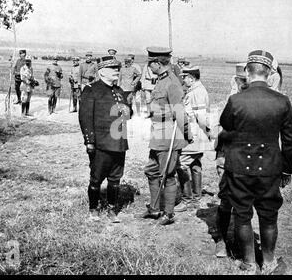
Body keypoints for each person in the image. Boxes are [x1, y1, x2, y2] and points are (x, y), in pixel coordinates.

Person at [219, 49, 292, 274]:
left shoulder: (235, 100)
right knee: (269, 216)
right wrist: (287, 171)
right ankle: (269, 262)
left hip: (238, 168)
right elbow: (290, 139)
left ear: (247, 71)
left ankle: (248, 263)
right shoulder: (282, 101)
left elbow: (226, 125)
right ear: (269, 72)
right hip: (270, 169)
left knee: (242, 215)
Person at [140, 47, 190, 226]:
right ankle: (154, 209)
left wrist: (186, 135)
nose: (149, 68)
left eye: (150, 64)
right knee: (152, 171)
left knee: (167, 175)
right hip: (158, 134)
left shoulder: (172, 83)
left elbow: (180, 113)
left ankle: (168, 214)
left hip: (169, 136)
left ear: (157, 64)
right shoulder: (161, 80)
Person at [79, 55, 131, 223]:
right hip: (101, 144)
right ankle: (93, 210)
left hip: (119, 143)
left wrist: (128, 110)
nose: (117, 71)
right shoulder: (91, 89)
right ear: (102, 72)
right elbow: (85, 117)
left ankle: (111, 210)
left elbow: (127, 115)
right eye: (113, 69)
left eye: (117, 68)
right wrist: (89, 141)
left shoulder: (119, 91)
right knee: (96, 179)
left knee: (115, 180)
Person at [174, 66, 212, 212]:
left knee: (181, 164)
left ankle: (187, 199)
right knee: (195, 165)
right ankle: (196, 198)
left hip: (194, 134)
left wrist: (204, 132)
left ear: (191, 77)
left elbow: (201, 117)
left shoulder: (197, 92)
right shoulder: (195, 90)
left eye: (185, 77)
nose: (183, 80)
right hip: (196, 134)